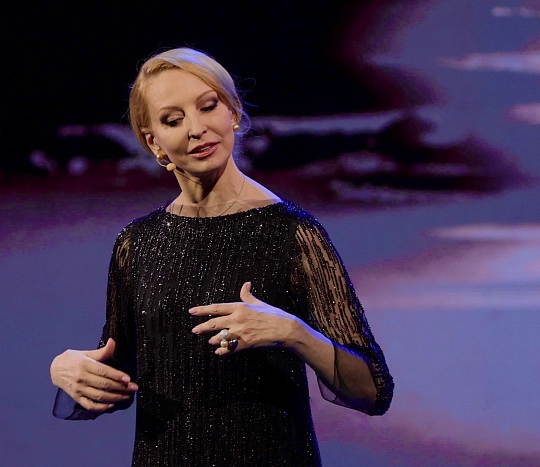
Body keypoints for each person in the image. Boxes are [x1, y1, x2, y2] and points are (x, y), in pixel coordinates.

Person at [50, 47, 394, 466]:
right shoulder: (136, 242)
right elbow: (116, 379)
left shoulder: (292, 233)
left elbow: (373, 391)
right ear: (154, 143)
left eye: (208, 106)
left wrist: (293, 332)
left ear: (233, 113)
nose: (197, 129)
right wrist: (67, 371)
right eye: (173, 119)